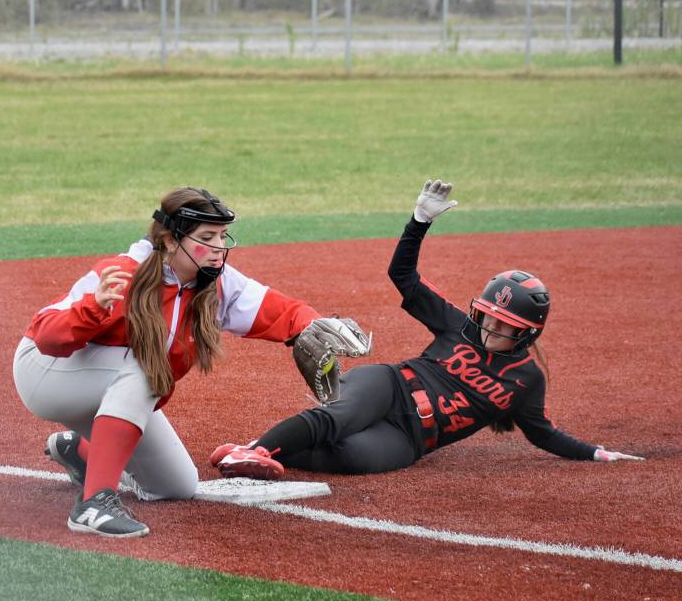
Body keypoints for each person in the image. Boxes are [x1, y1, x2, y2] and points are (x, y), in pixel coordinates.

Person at [210, 180, 644, 480]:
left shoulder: (525, 379)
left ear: (528, 333)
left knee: (350, 457)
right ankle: (259, 448)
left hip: (411, 438)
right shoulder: (457, 324)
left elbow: (542, 434)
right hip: (391, 385)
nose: (490, 324)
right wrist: (419, 221)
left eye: (504, 323)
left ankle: (244, 453)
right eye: (488, 313)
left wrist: (595, 452)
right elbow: (403, 276)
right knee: (337, 418)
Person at [12, 187, 370, 538]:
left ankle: (82, 452)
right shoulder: (125, 272)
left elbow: (275, 310)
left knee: (176, 484)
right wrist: (92, 309)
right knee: (144, 370)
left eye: (223, 236)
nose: (218, 248)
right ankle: (92, 505)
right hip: (46, 374)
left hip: (112, 385)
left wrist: (312, 324)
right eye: (207, 237)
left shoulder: (215, 282)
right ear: (170, 241)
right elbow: (44, 335)